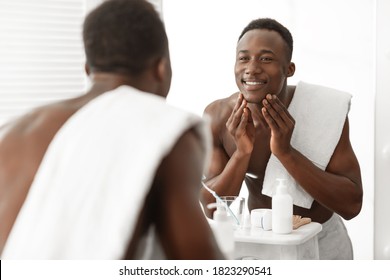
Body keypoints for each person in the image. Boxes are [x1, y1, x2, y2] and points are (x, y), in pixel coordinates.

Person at [0, 0, 223, 259]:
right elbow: (201, 263)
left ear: (88, 70)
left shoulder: (11, 132)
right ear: (161, 69)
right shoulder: (162, 131)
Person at [201, 18, 363, 260]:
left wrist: (286, 153)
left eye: (266, 58)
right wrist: (241, 153)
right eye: (244, 58)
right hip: (261, 242)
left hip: (322, 240)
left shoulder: (324, 110)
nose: (252, 68)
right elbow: (212, 209)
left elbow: (352, 205)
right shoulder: (218, 117)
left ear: (289, 69)